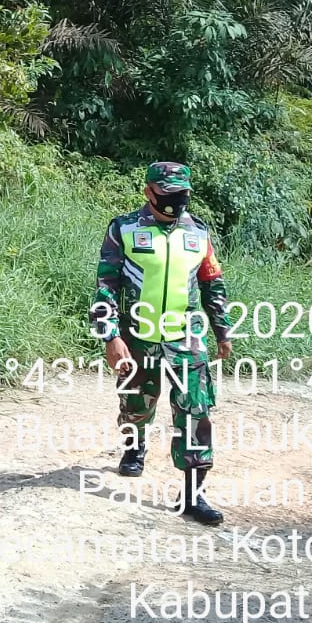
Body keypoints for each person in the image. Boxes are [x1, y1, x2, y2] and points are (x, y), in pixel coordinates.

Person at [90, 161, 234, 525]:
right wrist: (110, 336)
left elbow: (212, 284)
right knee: (136, 403)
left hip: (185, 335)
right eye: (167, 196)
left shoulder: (198, 232)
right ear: (148, 193)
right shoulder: (123, 229)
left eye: (181, 196)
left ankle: (193, 494)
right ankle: (135, 444)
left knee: (196, 410)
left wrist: (222, 329)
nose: (174, 203)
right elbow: (106, 285)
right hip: (137, 335)